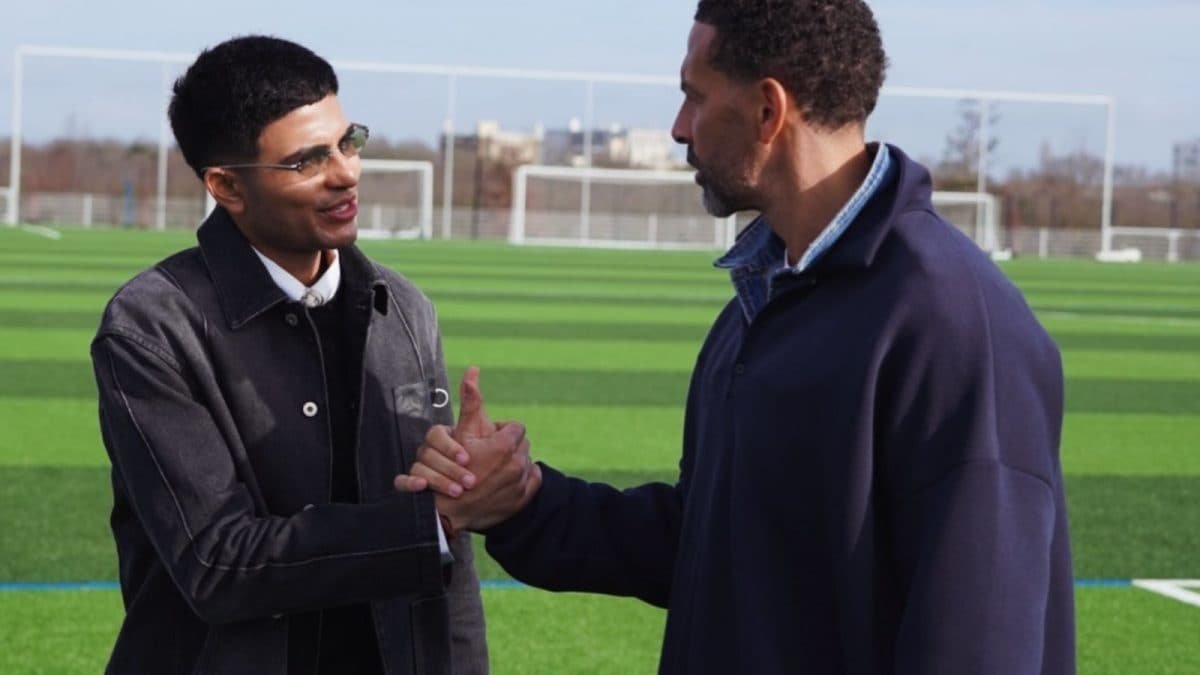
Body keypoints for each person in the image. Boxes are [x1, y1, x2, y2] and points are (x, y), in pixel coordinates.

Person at [397, 1, 1076, 673]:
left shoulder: (953, 326)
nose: (678, 127)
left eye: (695, 97)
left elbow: (979, 639)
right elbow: (715, 544)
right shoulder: (766, 295)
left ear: (767, 110)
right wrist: (523, 501)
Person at [90, 35, 498, 675]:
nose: (346, 173)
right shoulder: (151, 328)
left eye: (347, 142)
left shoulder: (404, 310)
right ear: (226, 185)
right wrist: (426, 527)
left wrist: (455, 503)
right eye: (307, 160)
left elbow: (452, 564)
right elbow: (219, 564)